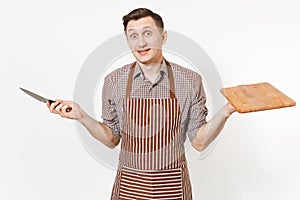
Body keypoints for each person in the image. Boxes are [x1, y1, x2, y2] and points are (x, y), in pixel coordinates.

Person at [48, 8, 236, 200]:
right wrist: (81, 116)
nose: (141, 42)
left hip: (172, 188)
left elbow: (199, 142)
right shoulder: (114, 81)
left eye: (148, 33)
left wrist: (227, 110)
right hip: (129, 188)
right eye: (133, 36)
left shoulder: (190, 80)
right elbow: (111, 139)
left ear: (163, 37)